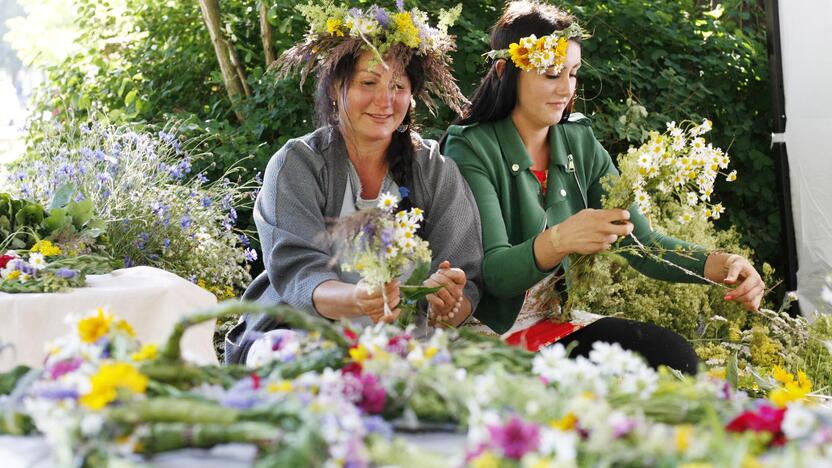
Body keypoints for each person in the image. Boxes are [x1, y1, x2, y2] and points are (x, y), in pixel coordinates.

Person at [442, 0, 764, 374]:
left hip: (551, 327)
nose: (566, 89)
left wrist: (719, 263)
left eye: (574, 73)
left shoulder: (579, 141)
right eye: (551, 74)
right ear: (504, 71)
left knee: (672, 356)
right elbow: (495, 275)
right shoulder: (470, 147)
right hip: (489, 334)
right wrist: (562, 239)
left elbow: (640, 243)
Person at [226, 3, 482, 364]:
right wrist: (358, 299)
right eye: (368, 82)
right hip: (299, 336)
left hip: (401, 345)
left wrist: (448, 300)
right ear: (335, 86)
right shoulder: (297, 164)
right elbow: (298, 272)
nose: (384, 100)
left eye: (397, 85)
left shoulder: (434, 169)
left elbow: (465, 284)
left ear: (411, 95)